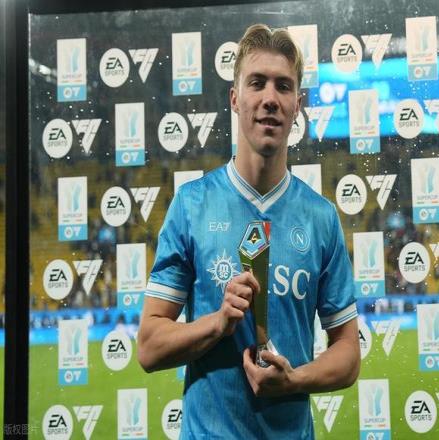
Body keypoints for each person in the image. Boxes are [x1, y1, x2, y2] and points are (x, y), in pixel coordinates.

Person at [137, 23, 360, 439]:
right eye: (257, 83)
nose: (270, 98)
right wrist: (218, 322)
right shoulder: (191, 205)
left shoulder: (321, 217)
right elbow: (149, 347)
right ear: (235, 100)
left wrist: (294, 380)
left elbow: (348, 353)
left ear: (298, 105)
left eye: (283, 86)